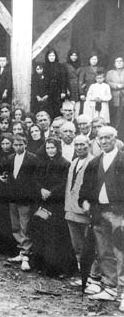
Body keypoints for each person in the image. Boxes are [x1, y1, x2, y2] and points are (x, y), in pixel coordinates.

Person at [79, 126, 124, 306]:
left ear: (115, 138)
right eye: (101, 139)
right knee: (104, 251)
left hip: (118, 214)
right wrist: (85, 202)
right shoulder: (94, 163)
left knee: (120, 253)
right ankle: (110, 287)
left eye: (108, 138)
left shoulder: (122, 160)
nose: (104, 142)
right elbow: (85, 188)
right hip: (98, 213)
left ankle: (122, 293)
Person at [29, 137, 75, 276]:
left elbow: (64, 182)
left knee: (55, 235)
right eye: (48, 148)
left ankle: (55, 268)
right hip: (43, 202)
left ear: (58, 148)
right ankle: (41, 264)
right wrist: (41, 189)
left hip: (56, 204)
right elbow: (35, 178)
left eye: (53, 147)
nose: (50, 150)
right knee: (41, 230)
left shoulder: (65, 163)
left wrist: (51, 192)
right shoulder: (42, 162)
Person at [0, 134, 40, 271]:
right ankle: (21, 251)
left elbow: (35, 179)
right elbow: (8, 175)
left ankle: (26, 255)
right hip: (13, 196)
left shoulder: (32, 158)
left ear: (26, 144)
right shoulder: (10, 158)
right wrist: (1, 178)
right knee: (15, 225)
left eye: (21, 145)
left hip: (26, 197)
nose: (18, 147)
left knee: (25, 225)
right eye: (15, 145)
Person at [65, 135, 96, 287]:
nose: (79, 147)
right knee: (77, 246)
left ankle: (92, 276)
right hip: (70, 210)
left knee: (89, 247)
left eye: (82, 144)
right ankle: (83, 275)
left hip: (84, 212)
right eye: (77, 145)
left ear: (89, 145)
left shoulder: (94, 162)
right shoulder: (74, 162)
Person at [43, 49, 68, 118]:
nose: (51, 57)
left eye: (53, 55)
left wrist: (63, 91)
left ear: (55, 56)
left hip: (58, 90)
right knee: (49, 108)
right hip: (49, 90)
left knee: (57, 108)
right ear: (47, 57)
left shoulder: (60, 66)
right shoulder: (45, 66)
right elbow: (44, 80)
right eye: (50, 55)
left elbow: (63, 79)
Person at [106, 57, 124, 138]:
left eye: (121, 61)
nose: (119, 63)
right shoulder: (110, 73)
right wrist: (115, 85)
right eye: (117, 61)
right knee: (115, 115)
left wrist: (122, 85)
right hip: (114, 96)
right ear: (114, 63)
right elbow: (107, 81)